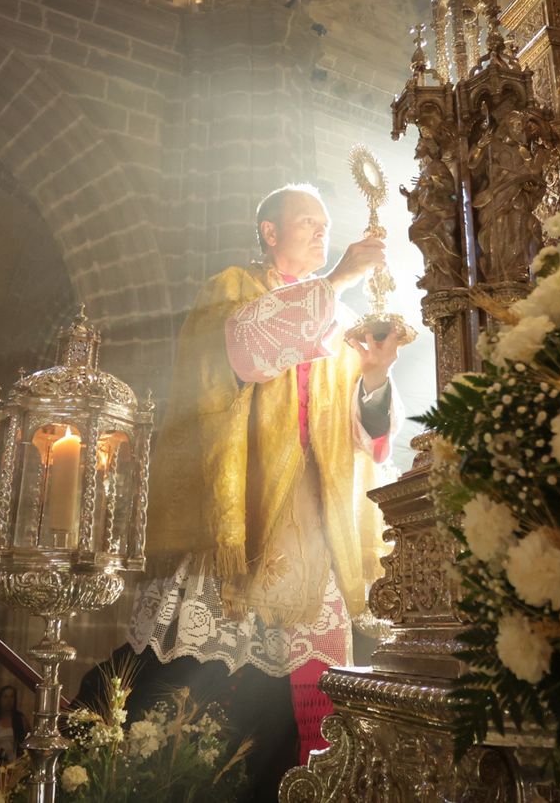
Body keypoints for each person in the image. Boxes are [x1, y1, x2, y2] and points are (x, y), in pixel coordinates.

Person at [128, 183, 400, 801]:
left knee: (312, 698)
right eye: (307, 222)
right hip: (243, 513)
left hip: (318, 517)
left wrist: (377, 379)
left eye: (326, 225)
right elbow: (246, 352)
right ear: (270, 233)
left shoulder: (331, 324)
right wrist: (340, 277)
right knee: (222, 697)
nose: (322, 232)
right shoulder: (232, 288)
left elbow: (365, 435)